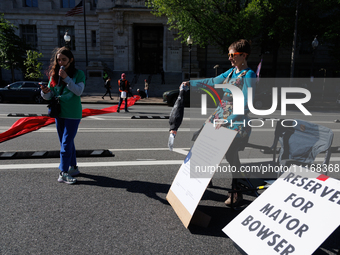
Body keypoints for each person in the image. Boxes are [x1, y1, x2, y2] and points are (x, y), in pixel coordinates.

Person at [174, 39, 256, 205]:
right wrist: (191, 83)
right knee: (199, 142)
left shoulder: (249, 75)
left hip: (235, 121)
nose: (229, 58)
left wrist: (227, 121)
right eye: (229, 55)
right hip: (219, 116)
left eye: (232, 55)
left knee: (231, 155)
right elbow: (213, 81)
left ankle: (237, 192)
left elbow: (246, 103)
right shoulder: (231, 72)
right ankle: (201, 181)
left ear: (244, 55)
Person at [40, 46, 85, 184]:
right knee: (65, 142)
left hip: (73, 113)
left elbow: (78, 91)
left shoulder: (78, 74)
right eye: (58, 60)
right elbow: (50, 96)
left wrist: (67, 79)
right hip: (59, 112)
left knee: (66, 142)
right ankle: (73, 167)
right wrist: (45, 91)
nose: (61, 62)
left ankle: (63, 172)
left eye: (64, 60)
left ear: (71, 60)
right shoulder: (54, 74)